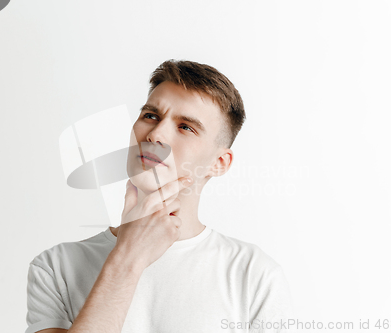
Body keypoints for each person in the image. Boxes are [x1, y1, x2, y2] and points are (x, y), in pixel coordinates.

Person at [25, 59, 293, 333]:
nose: (155, 134)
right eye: (151, 116)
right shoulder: (57, 267)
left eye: (186, 127)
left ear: (219, 163)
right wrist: (127, 257)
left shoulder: (253, 275)